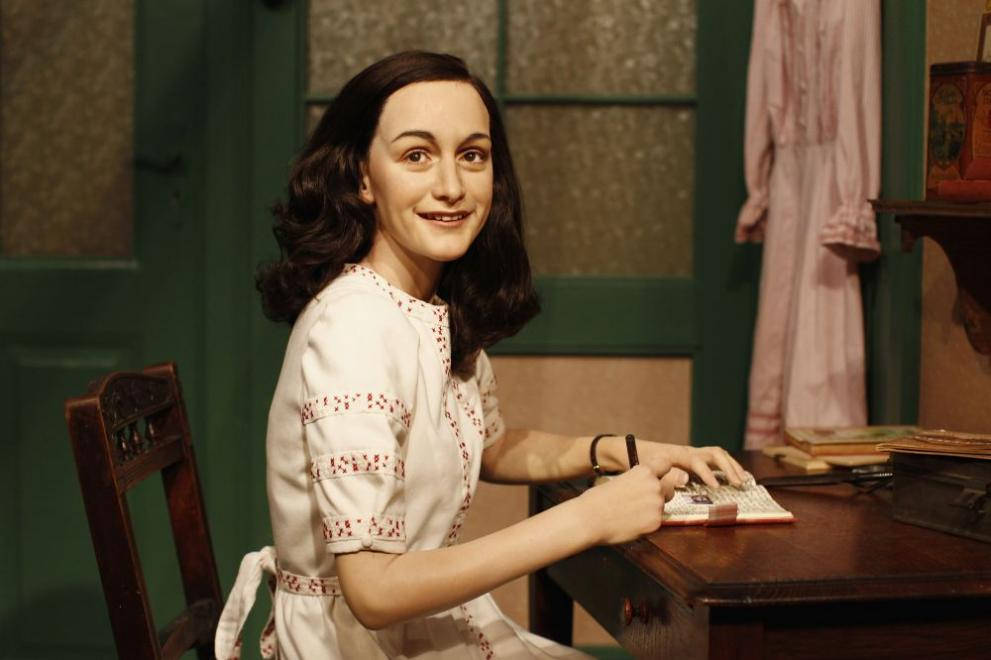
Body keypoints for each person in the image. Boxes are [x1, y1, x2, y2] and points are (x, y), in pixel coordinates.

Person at [214, 51, 746, 659]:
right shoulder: (354, 328)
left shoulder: (424, 303)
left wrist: (623, 451)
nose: (451, 186)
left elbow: (488, 446)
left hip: (414, 631)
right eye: (416, 156)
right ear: (363, 177)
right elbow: (374, 591)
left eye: (472, 155)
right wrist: (589, 518)